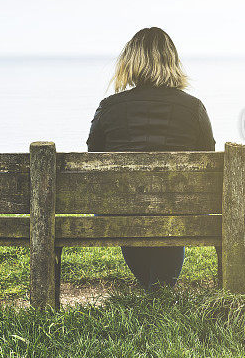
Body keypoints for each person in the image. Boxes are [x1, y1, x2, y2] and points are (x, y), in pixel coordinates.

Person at [86, 27, 216, 291]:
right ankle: (160, 287)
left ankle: (151, 285)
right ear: (172, 61)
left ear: (130, 61)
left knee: (126, 203)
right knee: (172, 203)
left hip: (123, 209)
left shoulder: (109, 107)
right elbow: (209, 160)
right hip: (179, 207)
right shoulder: (193, 108)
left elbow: (93, 158)